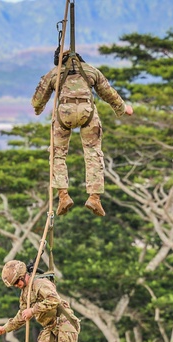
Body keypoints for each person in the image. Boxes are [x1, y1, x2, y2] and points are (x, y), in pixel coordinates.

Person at [32, 47, 134, 217]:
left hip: (64, 112)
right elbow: (109, 94)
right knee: (93, 153)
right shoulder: (91, 71)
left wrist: (38, 109)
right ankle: (94, 197)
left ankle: (63, 195)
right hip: (88, 112)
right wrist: (124, 109)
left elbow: (37, 101)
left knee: (57, 154)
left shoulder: (54, 73)